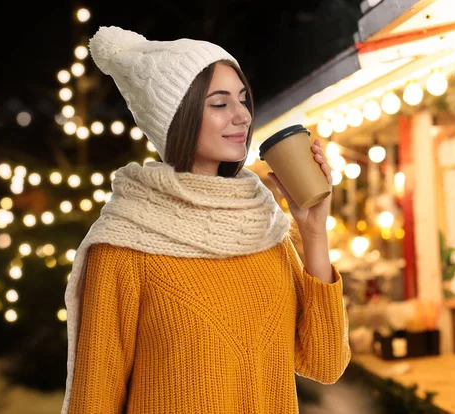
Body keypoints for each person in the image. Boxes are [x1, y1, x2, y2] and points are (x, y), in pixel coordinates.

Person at [61, 26, 351, 414]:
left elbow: (325, 363)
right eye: (219, 104)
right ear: (176, 117)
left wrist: (314, 232)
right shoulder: (126, 245)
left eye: (243, 100)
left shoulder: (262, 227)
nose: (242, 116)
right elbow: (93, 400)